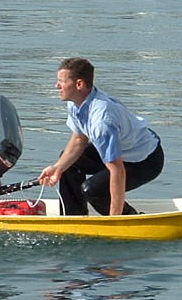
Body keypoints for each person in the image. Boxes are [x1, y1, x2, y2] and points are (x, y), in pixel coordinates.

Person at [39, 58, 164, 216]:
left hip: (145, 161)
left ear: (79, 84)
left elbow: (117, 170)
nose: (56, 86)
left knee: (91, 190)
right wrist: (58, 168)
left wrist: (115, 217)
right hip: (123, 152)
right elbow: (78, 140)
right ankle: (74, 218)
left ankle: (128, 217)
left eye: (61, 81)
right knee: (68, 164)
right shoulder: (75, 102)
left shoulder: (102, 121)